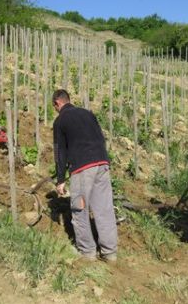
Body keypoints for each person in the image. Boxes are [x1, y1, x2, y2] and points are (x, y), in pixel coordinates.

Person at [52, 89, 118, 262]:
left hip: (82, 168)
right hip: (102, 163)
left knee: (79, 209)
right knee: (104, 209)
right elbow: (101, 138)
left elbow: (60, 152)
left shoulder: (60, 121)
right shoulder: (88, 114)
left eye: (55, 107)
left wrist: (60, 180)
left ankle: (87, 252)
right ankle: (109, 252)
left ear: (57, 103)